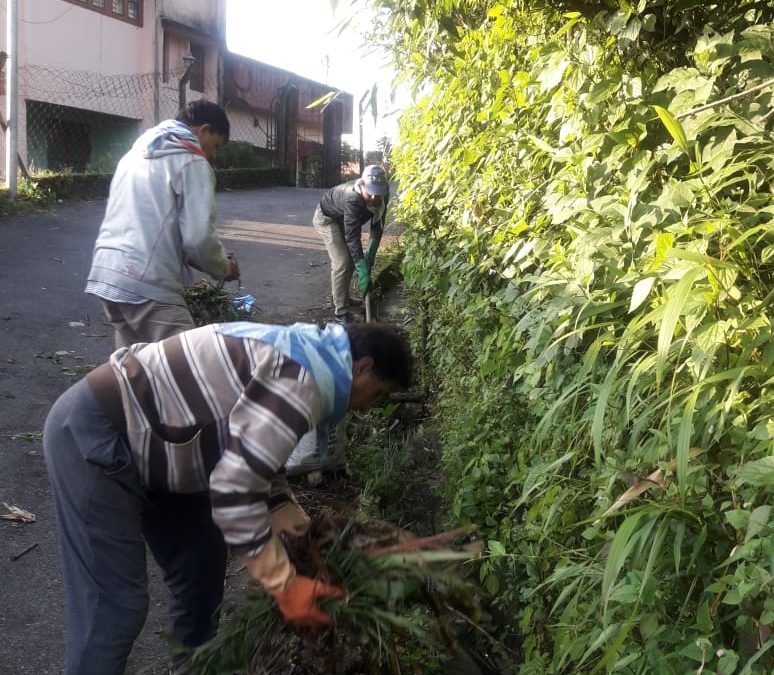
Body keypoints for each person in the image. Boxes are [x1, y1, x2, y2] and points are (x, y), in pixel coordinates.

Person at [42, 320, 413, 675]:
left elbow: (259, 469)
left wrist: (305, 539)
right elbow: (235, 491)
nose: (367, 409)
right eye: (378, 395)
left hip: (164, 447)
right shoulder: (301, 381)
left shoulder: (309, 359)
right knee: (115, 607)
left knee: (200, 567)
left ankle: (190, 669)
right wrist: (285, 586)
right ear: (363, 368)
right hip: (103, 434)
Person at [85, 99, 240, 349]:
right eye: (216, 145)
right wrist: (223, 267)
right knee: (189, 361)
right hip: (146, 281)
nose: (213, 155)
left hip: (108, 272)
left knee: (136, 365)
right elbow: (199, 239)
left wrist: (198, 259)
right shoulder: (192, 161)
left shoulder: (135, 155)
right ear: (204, 130)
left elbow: (152, 222)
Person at [313, 164, 390, 324]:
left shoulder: (383, 193)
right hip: (327, 219)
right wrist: (362, 269)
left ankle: (342, 297)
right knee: (343, 262)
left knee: (353, 260)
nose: (374, 198)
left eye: (378, 193)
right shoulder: (352, 198)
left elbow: (377, 227)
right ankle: (341, 312)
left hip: (344, 218)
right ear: (362, 184)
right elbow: (353, 238)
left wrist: (370, 255)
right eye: (371, 192)